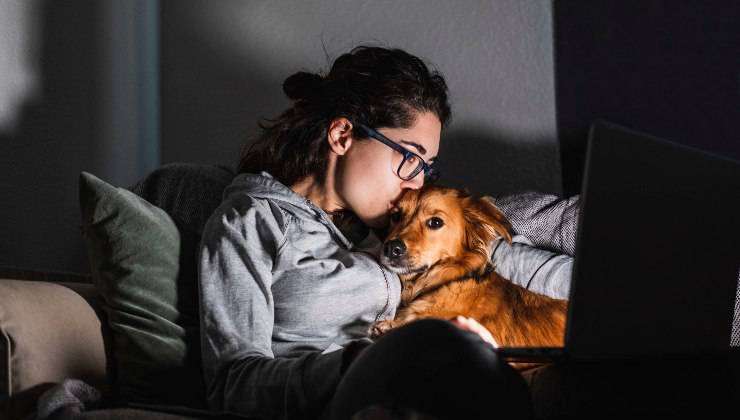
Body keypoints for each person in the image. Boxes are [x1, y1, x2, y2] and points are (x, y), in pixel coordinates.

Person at [197, 45, 571, 420]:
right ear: (342, 135)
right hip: (349, 394)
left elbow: (504, 254)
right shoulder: (250, 221)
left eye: (427, 167)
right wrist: (370, 357)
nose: (417, 183)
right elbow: (234, 386)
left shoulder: (386, 225)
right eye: (410, 157)